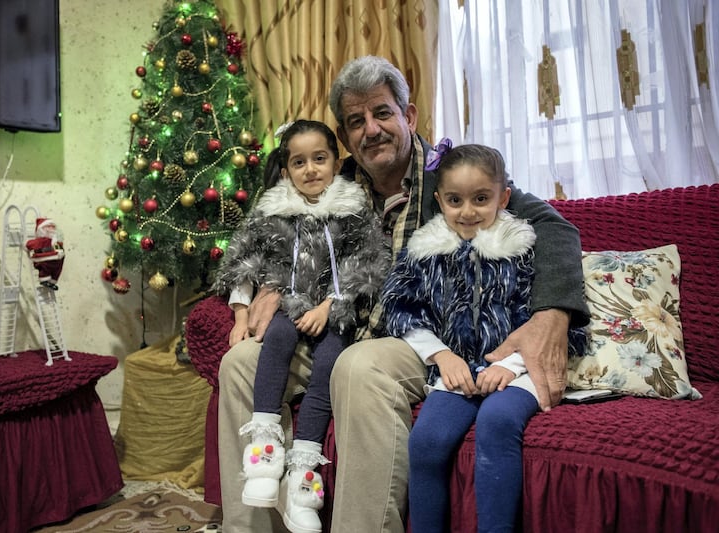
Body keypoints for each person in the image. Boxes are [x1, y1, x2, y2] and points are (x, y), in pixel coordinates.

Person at [217, 55, 590, 533]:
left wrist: (551, 315)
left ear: (408, 116)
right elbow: (276, 236)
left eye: (382, 113)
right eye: (356, 122)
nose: (371, 130)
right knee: (242, 363)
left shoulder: (451, 177)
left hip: (412, 335)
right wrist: (269, 288)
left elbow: (554, 228)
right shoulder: (333, 183)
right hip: (331, 325)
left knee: (361, 366)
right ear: (345, 137)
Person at [380, 142, 588, 532]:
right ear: (439, 200)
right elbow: (400, 309)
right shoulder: (425, 251)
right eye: (455, 200)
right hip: (456, 369)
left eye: (481, 199)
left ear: (503, 197)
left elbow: (554, 328)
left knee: (496, 422)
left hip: (519, 371)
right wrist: (442, 356)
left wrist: (510, 365)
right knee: (426, 441)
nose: (468, 211)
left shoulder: (524, 246)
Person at [212, 119, 390, 533]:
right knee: (276, 337)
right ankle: (264, 450)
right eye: (298, 162)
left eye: (319, 159)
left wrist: (330, 304)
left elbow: (367, 263)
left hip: (338, 310)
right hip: (290, 304)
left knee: (329, 363)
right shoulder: (274, 209)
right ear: (285, 168)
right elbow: (244, 261)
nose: (310, 169)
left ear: (335, 161)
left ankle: (303, 477)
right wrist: (240, 315)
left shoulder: (352, 206)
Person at [25, 218, 65, 290]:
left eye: (53, 227)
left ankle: (52, 280)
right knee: (46, 266)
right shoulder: (41, 241)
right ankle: (44, 279)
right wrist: (27, 248)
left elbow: (58, 248)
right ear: (42, 229)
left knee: (58, 265)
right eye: (49, 226)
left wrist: (60, 251)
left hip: (54, 259)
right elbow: (30, 244)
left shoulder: (54, 240)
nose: (51, 229)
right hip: (43, 258)